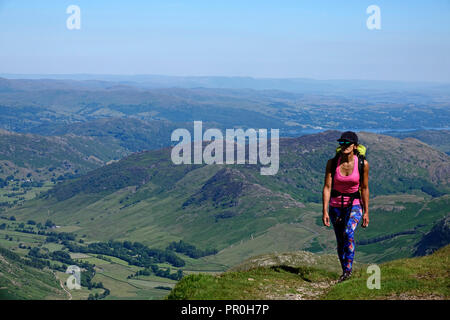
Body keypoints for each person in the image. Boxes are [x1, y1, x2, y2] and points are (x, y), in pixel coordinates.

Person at [322, 131, 369, 282]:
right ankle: (344, 272)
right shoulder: (332, 163)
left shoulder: (362, 164)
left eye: (347, 143)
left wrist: (367, 212)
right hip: (335, 206)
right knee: (340, 241)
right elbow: (327, 187)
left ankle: (348, 272)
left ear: (355, 146)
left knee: (348, 233)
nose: (344, 146)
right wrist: (324, 211)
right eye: (341, 143)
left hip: (354, 204)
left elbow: (365, 188)